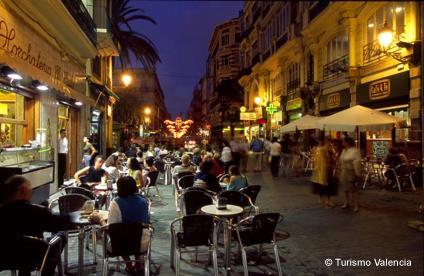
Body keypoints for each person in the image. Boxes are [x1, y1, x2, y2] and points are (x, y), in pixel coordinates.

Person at [0, 175, 73, 276]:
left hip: (4, 257)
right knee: (60, 236)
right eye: (30, 190)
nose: (31, 193)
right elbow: (56, 224)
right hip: (33, 256)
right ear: (22, 191)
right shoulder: (37, 211)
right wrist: (73, 215)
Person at [108, 176, 150, 273]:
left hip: (122, 244)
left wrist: (100, 220)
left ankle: (128, 263)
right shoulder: (144, 201)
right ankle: (139, 262)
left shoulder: (115, 202)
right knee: (136, 230)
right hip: (142, 243)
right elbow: (145, 222)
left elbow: (112, 226)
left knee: (117, 233)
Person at [311, 138, 337, 207]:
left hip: (327, 170)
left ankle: (326, 199)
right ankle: (326, 200)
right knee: (325, 185)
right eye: (328, 142)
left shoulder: (329, 150)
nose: (330, 144)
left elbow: (333, 159)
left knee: (327, 185)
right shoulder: (322, 150)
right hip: (323, 170)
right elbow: (319, 161)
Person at [339, 137, 362, 212]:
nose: (342, 143)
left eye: (343, 142)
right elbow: (341, 161)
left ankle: (356, 205)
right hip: (344, 171)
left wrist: (358, 173)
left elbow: (357, 162)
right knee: (345, 188)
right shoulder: (344, 151)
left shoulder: (355, 151)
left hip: (352, 171)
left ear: (347, 142)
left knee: (353, 189)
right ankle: (347, 202)